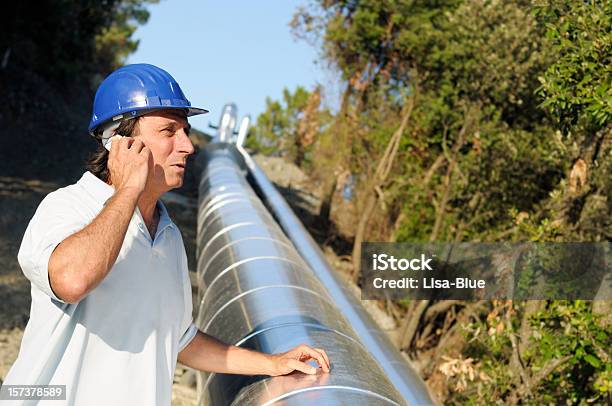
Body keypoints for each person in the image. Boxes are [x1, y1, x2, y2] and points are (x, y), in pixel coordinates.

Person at [1, 64, 329, 405]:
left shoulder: (168, 234)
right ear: (120, 142)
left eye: (185, 131)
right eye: (169, 131)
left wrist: (273, 364)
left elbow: (181, 340)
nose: (187, 146)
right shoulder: (68, 207)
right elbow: (72, 280)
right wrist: (128, 188)